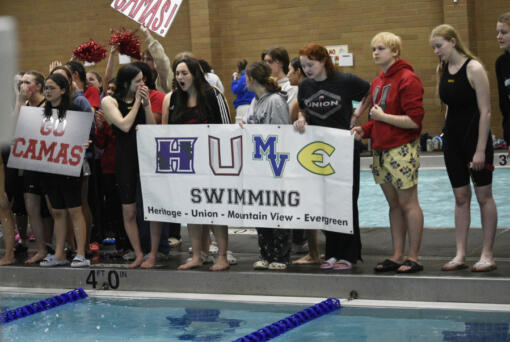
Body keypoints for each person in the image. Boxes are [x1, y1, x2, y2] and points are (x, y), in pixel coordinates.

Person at [351, 32, 425, 273]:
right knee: (393, 204)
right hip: (381, 150)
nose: (375, 52)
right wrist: (365, 129)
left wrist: (381, 118)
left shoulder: (408, 79)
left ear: (395, 51)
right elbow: (379, 121)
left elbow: (414, 121)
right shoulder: (378, 81)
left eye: (380, 48)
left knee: (408, 203)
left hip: (401, 148)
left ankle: (414, 256)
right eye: (373, 48)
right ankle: (397, 254)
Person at [294, 43, 369, 271]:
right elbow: (303, 108)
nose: (306, 69)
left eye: (311, 64)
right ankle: (333, 252)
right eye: (303, 65)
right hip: (319, 154)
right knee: (326, 204)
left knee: (346, 202)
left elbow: (371, 91)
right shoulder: (306, 86)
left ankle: (350, 253)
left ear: (324, 61)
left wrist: (357, 113)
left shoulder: (344, 81)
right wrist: (301, 118)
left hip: (345, 152)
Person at [430, 24, 497, 272]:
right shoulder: (442, 69)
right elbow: (448, 106)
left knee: (483, 196)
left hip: (475, 142)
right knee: (460, 198)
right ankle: (460, 254)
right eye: (433, 48)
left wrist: (480, 149)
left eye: (439, 46)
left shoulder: (475, 68)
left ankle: (488, 254)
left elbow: (485, 111)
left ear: (453, 41)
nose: (436, 52)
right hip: (453, 143)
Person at [161, 56, 231, 271]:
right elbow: (169, 132)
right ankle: (197, 255)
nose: (180, 77)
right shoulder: (175, 100)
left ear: (195, 74)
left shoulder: (212, 95)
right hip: (186, 164)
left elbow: (227, 128)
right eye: (178, 73)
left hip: (211, 163)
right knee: (191, 210)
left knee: (214, 210)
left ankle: (221, 256)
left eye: (185, 73)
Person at [101, 64, 157, 268]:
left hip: (146, 157)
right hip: (125, 159)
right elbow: (124, 126)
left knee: (152, 209)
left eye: (144, 80)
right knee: (129, 211)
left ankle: (153, 252)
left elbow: (152, 129)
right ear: (126, 83)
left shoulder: (142, 100)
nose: (143, 84)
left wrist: (147, 105)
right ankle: (138, 253)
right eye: (138, 81)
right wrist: (136, 104)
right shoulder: (109, 101)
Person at [242, 61, 291, 270]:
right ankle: (265, 253)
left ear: (251, 79)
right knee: (261, 210)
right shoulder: (256, 101)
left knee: (277, 211)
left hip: (274, 164)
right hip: (258, 166)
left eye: (245, 78)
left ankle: (281, 256)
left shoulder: (275, 101)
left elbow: (282, 133)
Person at [38, 73, 91, 267]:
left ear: (62, 90)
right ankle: (59, 253)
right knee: (58, 212)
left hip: (69, 167)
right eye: (45, 88)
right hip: (49, 168)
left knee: (75, 210)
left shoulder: (74, 111)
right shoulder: (42, 112)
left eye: (51, 88)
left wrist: (85, 143)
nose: (47, 91)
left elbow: (86, 136)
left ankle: (81, 253)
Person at [140, 24, 173, 93]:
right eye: (143, 59)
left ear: (155, 61)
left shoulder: (162, 76)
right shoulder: (140, 78)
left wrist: (148, 35)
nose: (145, 62)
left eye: (149, 59)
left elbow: (161, 59)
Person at [496, 12, 510, 155]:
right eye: (497, 32)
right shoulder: (501, 63)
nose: (499, 36)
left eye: (503, 32)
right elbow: (505, 105)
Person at [231, 59, 255, 123]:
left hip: (243, 107)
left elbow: (235, 90)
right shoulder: (251, 76)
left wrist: (234, 80)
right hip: (252, 105)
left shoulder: (243, 78)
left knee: (240, 130)